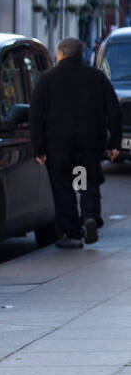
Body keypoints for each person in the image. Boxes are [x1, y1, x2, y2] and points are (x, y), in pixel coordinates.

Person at [30, 37, 121, 247]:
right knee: (85, 181)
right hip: (89, 144)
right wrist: (113, 143)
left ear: (60, 55)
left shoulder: (46, 80)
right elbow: (114, 111)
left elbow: (35, 116)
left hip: (59, 146)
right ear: (81, 54)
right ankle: (89, 215)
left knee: (64, 189)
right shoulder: (97, 77)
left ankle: (72, 234)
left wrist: (39, 148)